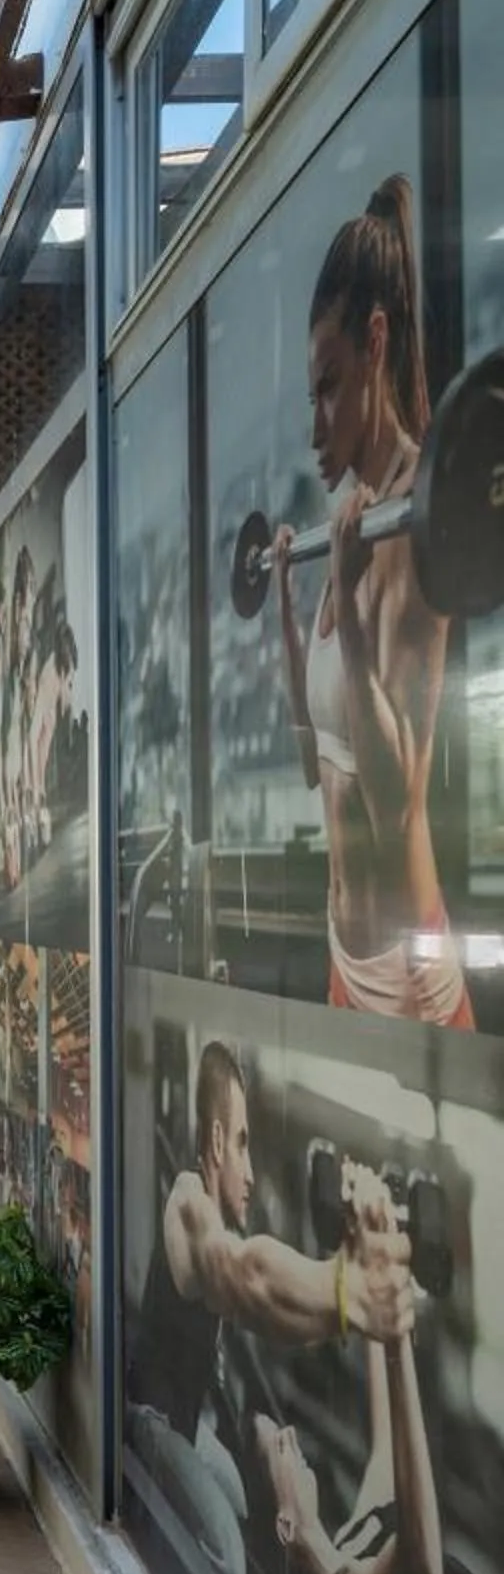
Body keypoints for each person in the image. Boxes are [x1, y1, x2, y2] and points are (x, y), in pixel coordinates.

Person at [271, 177, 472, 1027]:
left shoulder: (412, 528)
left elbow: (399, 804)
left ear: (376, 342)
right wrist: (290, 602)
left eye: (328, 387)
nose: (315, 427)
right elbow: (312, 757)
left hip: (410, 972)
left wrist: (346, 616)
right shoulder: (348, 525)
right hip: (344, 956)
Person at [253, 1165, 504, 1574]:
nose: (293, 1440)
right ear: (285, 1525)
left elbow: (392, 1447)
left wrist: (363, 1263)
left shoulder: (354, 1541)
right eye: (282, 1450)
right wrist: (392, 1338)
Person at [129, 1039, 416, 1574]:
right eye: (242, 1143)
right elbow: (243, 1274)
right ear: (216, 1142)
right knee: (227, 1560)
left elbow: (278, 1316)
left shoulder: (215, 1218)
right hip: (149, 1418)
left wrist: (352, 1267)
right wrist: (345, 1290)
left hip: (188, 1425)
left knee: (237, 1498)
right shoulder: (190, 1202)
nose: (252, 1172)